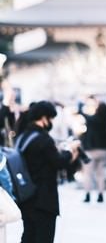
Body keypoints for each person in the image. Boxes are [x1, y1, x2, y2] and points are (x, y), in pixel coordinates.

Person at [18, 101, 80, 243]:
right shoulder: (43, 139)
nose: (51, 122)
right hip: (44, 199)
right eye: (51, 118)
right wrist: (70, 151)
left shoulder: (23, 137)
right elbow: (58, 162)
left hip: (26, 196)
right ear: (44, 118)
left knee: (28, 235)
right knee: (43, 237)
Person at [80, 100, 106, 203]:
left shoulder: (93, 119)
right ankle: (101, 195)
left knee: (88, 173)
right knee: (100, 174)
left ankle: (88, 194)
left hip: (92, 150)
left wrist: (80, 109)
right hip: (103, 150)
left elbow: (87, 117)